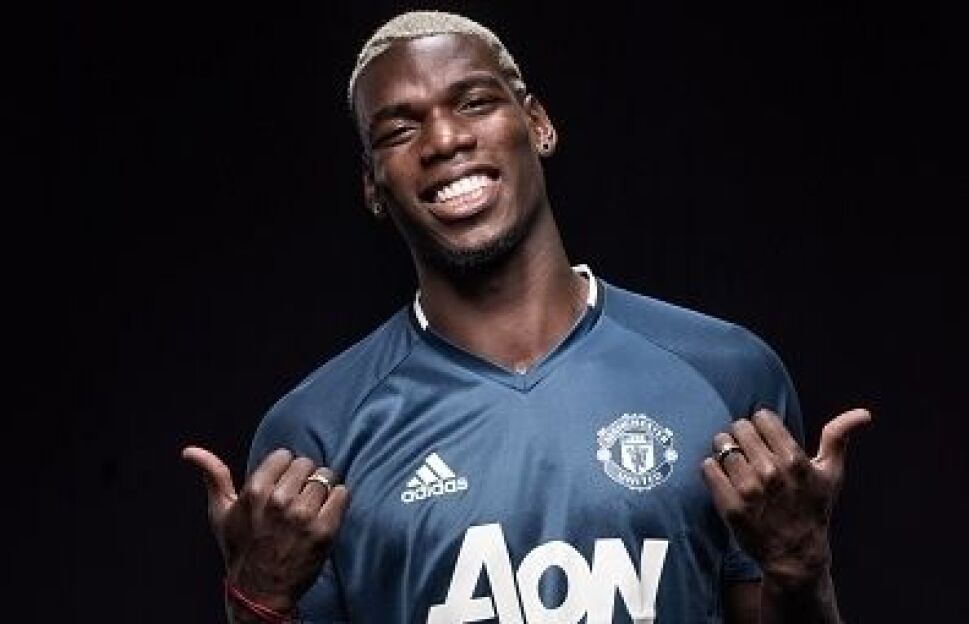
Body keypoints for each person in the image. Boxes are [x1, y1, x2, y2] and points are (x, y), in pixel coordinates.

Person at [183, 10, 870, 624]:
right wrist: (257, 602)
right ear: (372, 186)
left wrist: (798, 566)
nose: (444, 139)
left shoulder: (724, 372)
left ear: (537, 124)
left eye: (474, 102)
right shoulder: (317, 430)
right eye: (399, 129)